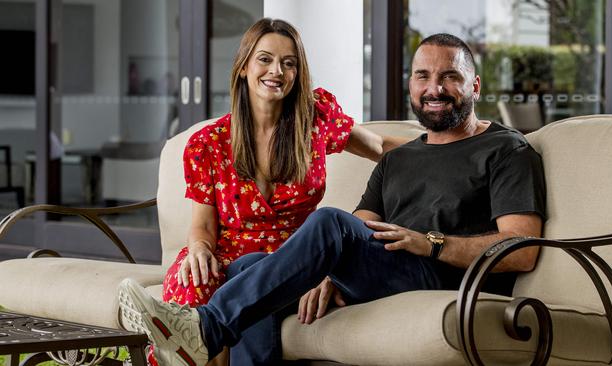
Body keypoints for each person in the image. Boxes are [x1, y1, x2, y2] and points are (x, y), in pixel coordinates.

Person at [118, 33, 546, 366]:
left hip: (444, 273)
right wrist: (321, 272)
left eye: (449, 76)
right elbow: (361, 224)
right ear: (411, 85)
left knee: (328, 222)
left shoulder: (504, 149)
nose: (435, 88)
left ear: (474, 83)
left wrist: (432, 242)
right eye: (423, 76)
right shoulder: (405, 156)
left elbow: (522, 248)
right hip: (387, 269)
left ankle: (205, 328)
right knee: (248, 266)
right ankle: (208, 330)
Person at [149, 18, 405, 366]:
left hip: (293, 262)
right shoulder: (207, 143)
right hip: (228, 254)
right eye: (265, 59)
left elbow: (379, 145)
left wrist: (448, 145)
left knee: (246, 278)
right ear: (243, 67)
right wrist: (197, 248)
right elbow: (204, 226)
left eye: (289, 63)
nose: (277, 71)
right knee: (194, 282)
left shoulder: (314, 119)